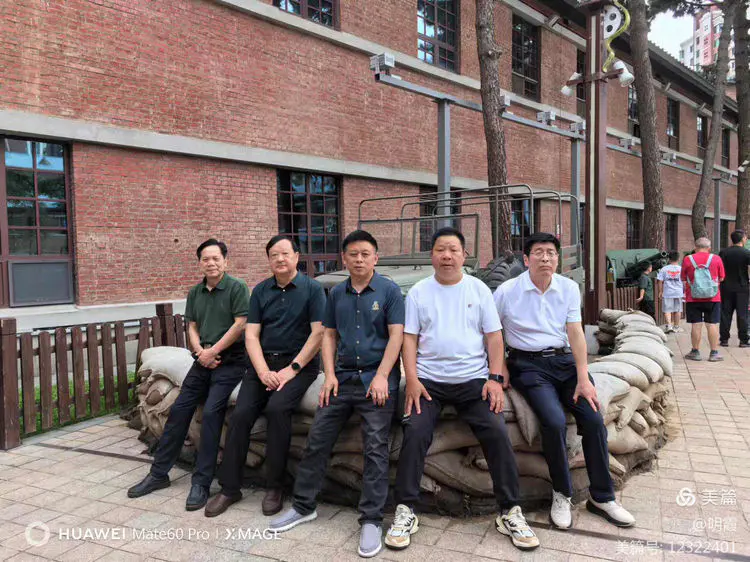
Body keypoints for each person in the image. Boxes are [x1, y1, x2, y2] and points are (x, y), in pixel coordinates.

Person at [384, 227, 539, 552]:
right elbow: (409, 339)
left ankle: (510, 510)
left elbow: (494, 337)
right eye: (441, 249)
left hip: (473, 381)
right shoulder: (419, 292)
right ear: (432, 255)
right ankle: (406, 509)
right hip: (429, 383)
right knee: (414, 432)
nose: (447, 256)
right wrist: (411, 379)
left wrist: (494, 379)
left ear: (464, 255)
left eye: (453, 250)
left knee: (497, 431)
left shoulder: (478, 289)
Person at [268, 230, 404, 558]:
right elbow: (328, 336)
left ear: (375, 258)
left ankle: (371, 519)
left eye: (365, 254)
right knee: (317, 438)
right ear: (344, 258)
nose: (359, 259)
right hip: (342, 379)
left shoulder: (389, 291)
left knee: (375, 446)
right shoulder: (336, 293)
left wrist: (383, 376)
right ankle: (303, 506)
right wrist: (329, 375)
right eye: (353, 254)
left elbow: (397, 336)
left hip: (376, 380)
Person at [494, 232, 635, 530]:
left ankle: (602, 497)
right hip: (527, 365)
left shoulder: (568, 288)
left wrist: (583, 377)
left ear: (558, 259)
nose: (545, 258)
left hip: (565, 362)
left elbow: (575, 333)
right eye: (538, 252)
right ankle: (561, 493)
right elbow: (492, 332)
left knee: (594, 419)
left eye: (551, 253)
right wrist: (499, 367)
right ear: (526, 259)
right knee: (554, 421)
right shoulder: (507, 291)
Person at [204, 235, 325, 518]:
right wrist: (262, 371)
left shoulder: (313, 289)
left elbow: (318, 333)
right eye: (274, 255)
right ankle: (229, 488)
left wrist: (291, 370)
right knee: (241, 414)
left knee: (277, 409)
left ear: (297, 257)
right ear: (268, 259)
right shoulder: (260, 291)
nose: (280, 259)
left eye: (285, 253)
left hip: (299, 366)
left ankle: (275, 487)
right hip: (262, 365)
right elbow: (251, 335)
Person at [128, 239, 250, 510]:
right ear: (199, 263)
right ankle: (158, 473)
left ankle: (202, 482)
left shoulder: (237, 287)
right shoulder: (196, 292)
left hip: (230, 360)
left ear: (225, 261)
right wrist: (200, 351)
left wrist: (214, 351)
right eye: (206, 259)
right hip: (202, 359)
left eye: (216, 258)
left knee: (212, 413)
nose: (211, 263)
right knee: (179, 409)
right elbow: (192, 325)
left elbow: (241, 324)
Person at [682, 237, 726, 362]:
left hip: (693, 297)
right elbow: (722, 278)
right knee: (712, 324)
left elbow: (683, 278)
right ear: (709, 248)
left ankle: (695, 352)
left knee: (696, 324)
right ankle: (714, 353)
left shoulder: (688, 259)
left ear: (695, 247)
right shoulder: (716, 259)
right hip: (713, 297)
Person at [718, 230, 750, 348]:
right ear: (743, 239)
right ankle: (743, 340)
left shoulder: (723, 252)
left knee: (725, 313)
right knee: (742, 314)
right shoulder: (746, 253)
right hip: (742, 287)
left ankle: (724, 339)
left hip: (726, 286)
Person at [656, 252, 684, 333]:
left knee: (667, 310)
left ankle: (669, 326)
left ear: (669, 259)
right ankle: (676, 327)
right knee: (678, 310)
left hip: (667, 292)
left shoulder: (664, 269)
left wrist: (660, 291)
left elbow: (660, 281)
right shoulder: (681, 269)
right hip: (678, 292)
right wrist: (684, 291)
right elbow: (684, 281)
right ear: (678, 259)